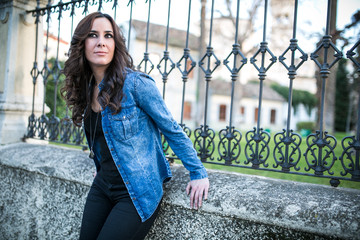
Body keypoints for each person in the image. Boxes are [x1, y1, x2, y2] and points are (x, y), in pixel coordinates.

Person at [61, 12, 209, 240]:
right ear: (82, 44)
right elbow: (102, 136)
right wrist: (103, 162)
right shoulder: (88, 87)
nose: (101, 41)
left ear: (115, 44)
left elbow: (171, 128)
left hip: (137, 191)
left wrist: (197, 172)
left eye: (108, 36)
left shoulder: (136, 84)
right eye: (93, 35)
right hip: (102, 185)